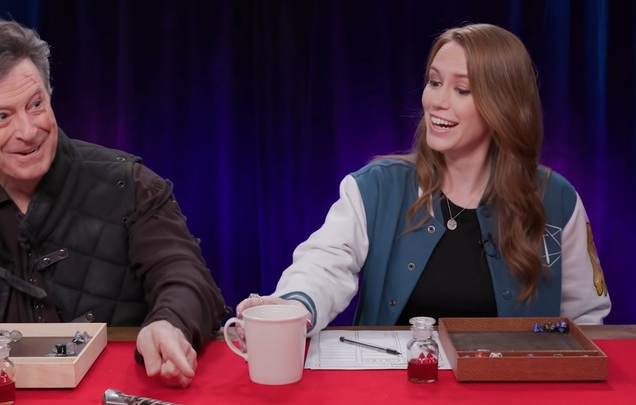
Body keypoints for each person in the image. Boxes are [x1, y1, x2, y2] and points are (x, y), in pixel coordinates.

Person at [0, 11, 226, 388]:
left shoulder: (131, 184)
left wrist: (168, 323)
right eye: (3, 116)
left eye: (36, 104)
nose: (29, 130)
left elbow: (185, 276)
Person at [236, 23, 611, 333]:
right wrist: (294, 307)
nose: (437, 101)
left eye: (461, 89)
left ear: (504, 106)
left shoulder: (557, 200)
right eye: (434, 82)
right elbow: (324, 264)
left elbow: (585, 318)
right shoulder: (375, 187)